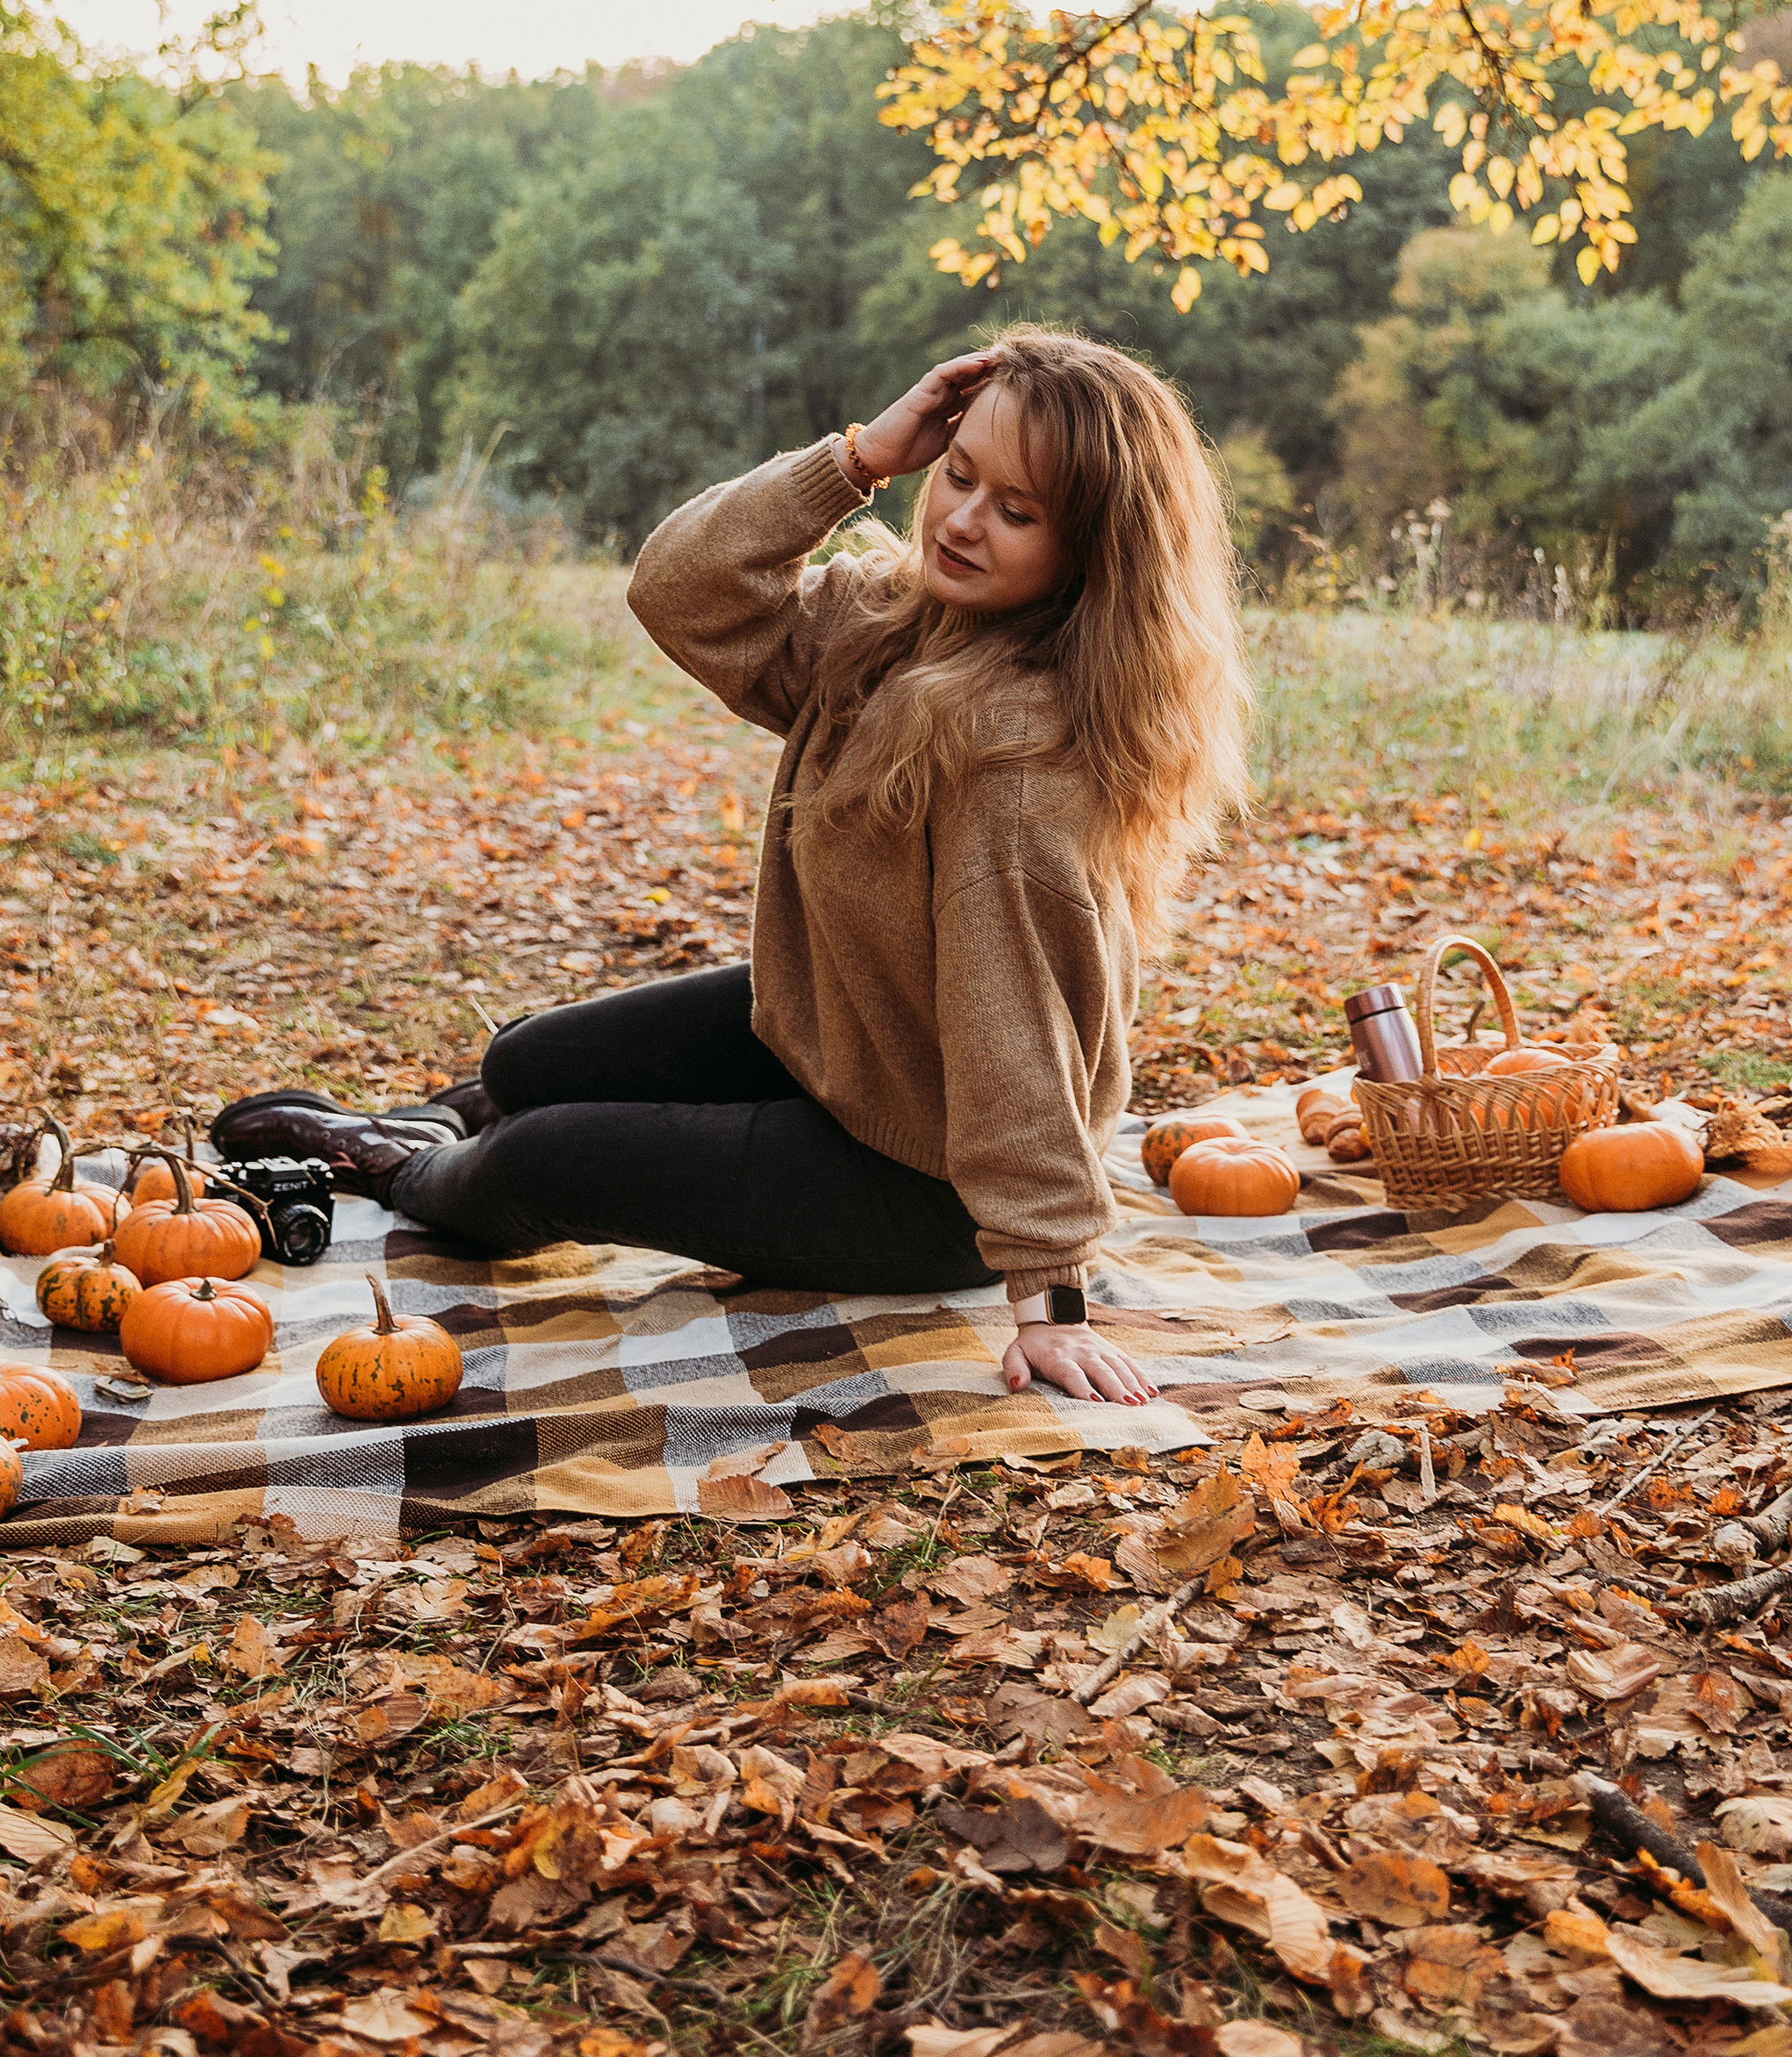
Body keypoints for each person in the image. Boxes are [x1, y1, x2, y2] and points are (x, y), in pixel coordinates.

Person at [212, 328, 1251, 1403]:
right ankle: (448, 1121)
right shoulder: (889, 624)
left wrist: (1048, 1295)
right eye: (957, 473)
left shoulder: (1017, 766)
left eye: (1018, 512)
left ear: (1092, 557)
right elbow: (680, 588)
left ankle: (398, 1165)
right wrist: (855, 460)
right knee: (525, 1064)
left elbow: (1018, 1036)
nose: (961, 520)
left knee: (541, 1161)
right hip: (843, 1042)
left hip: (927, 1187)